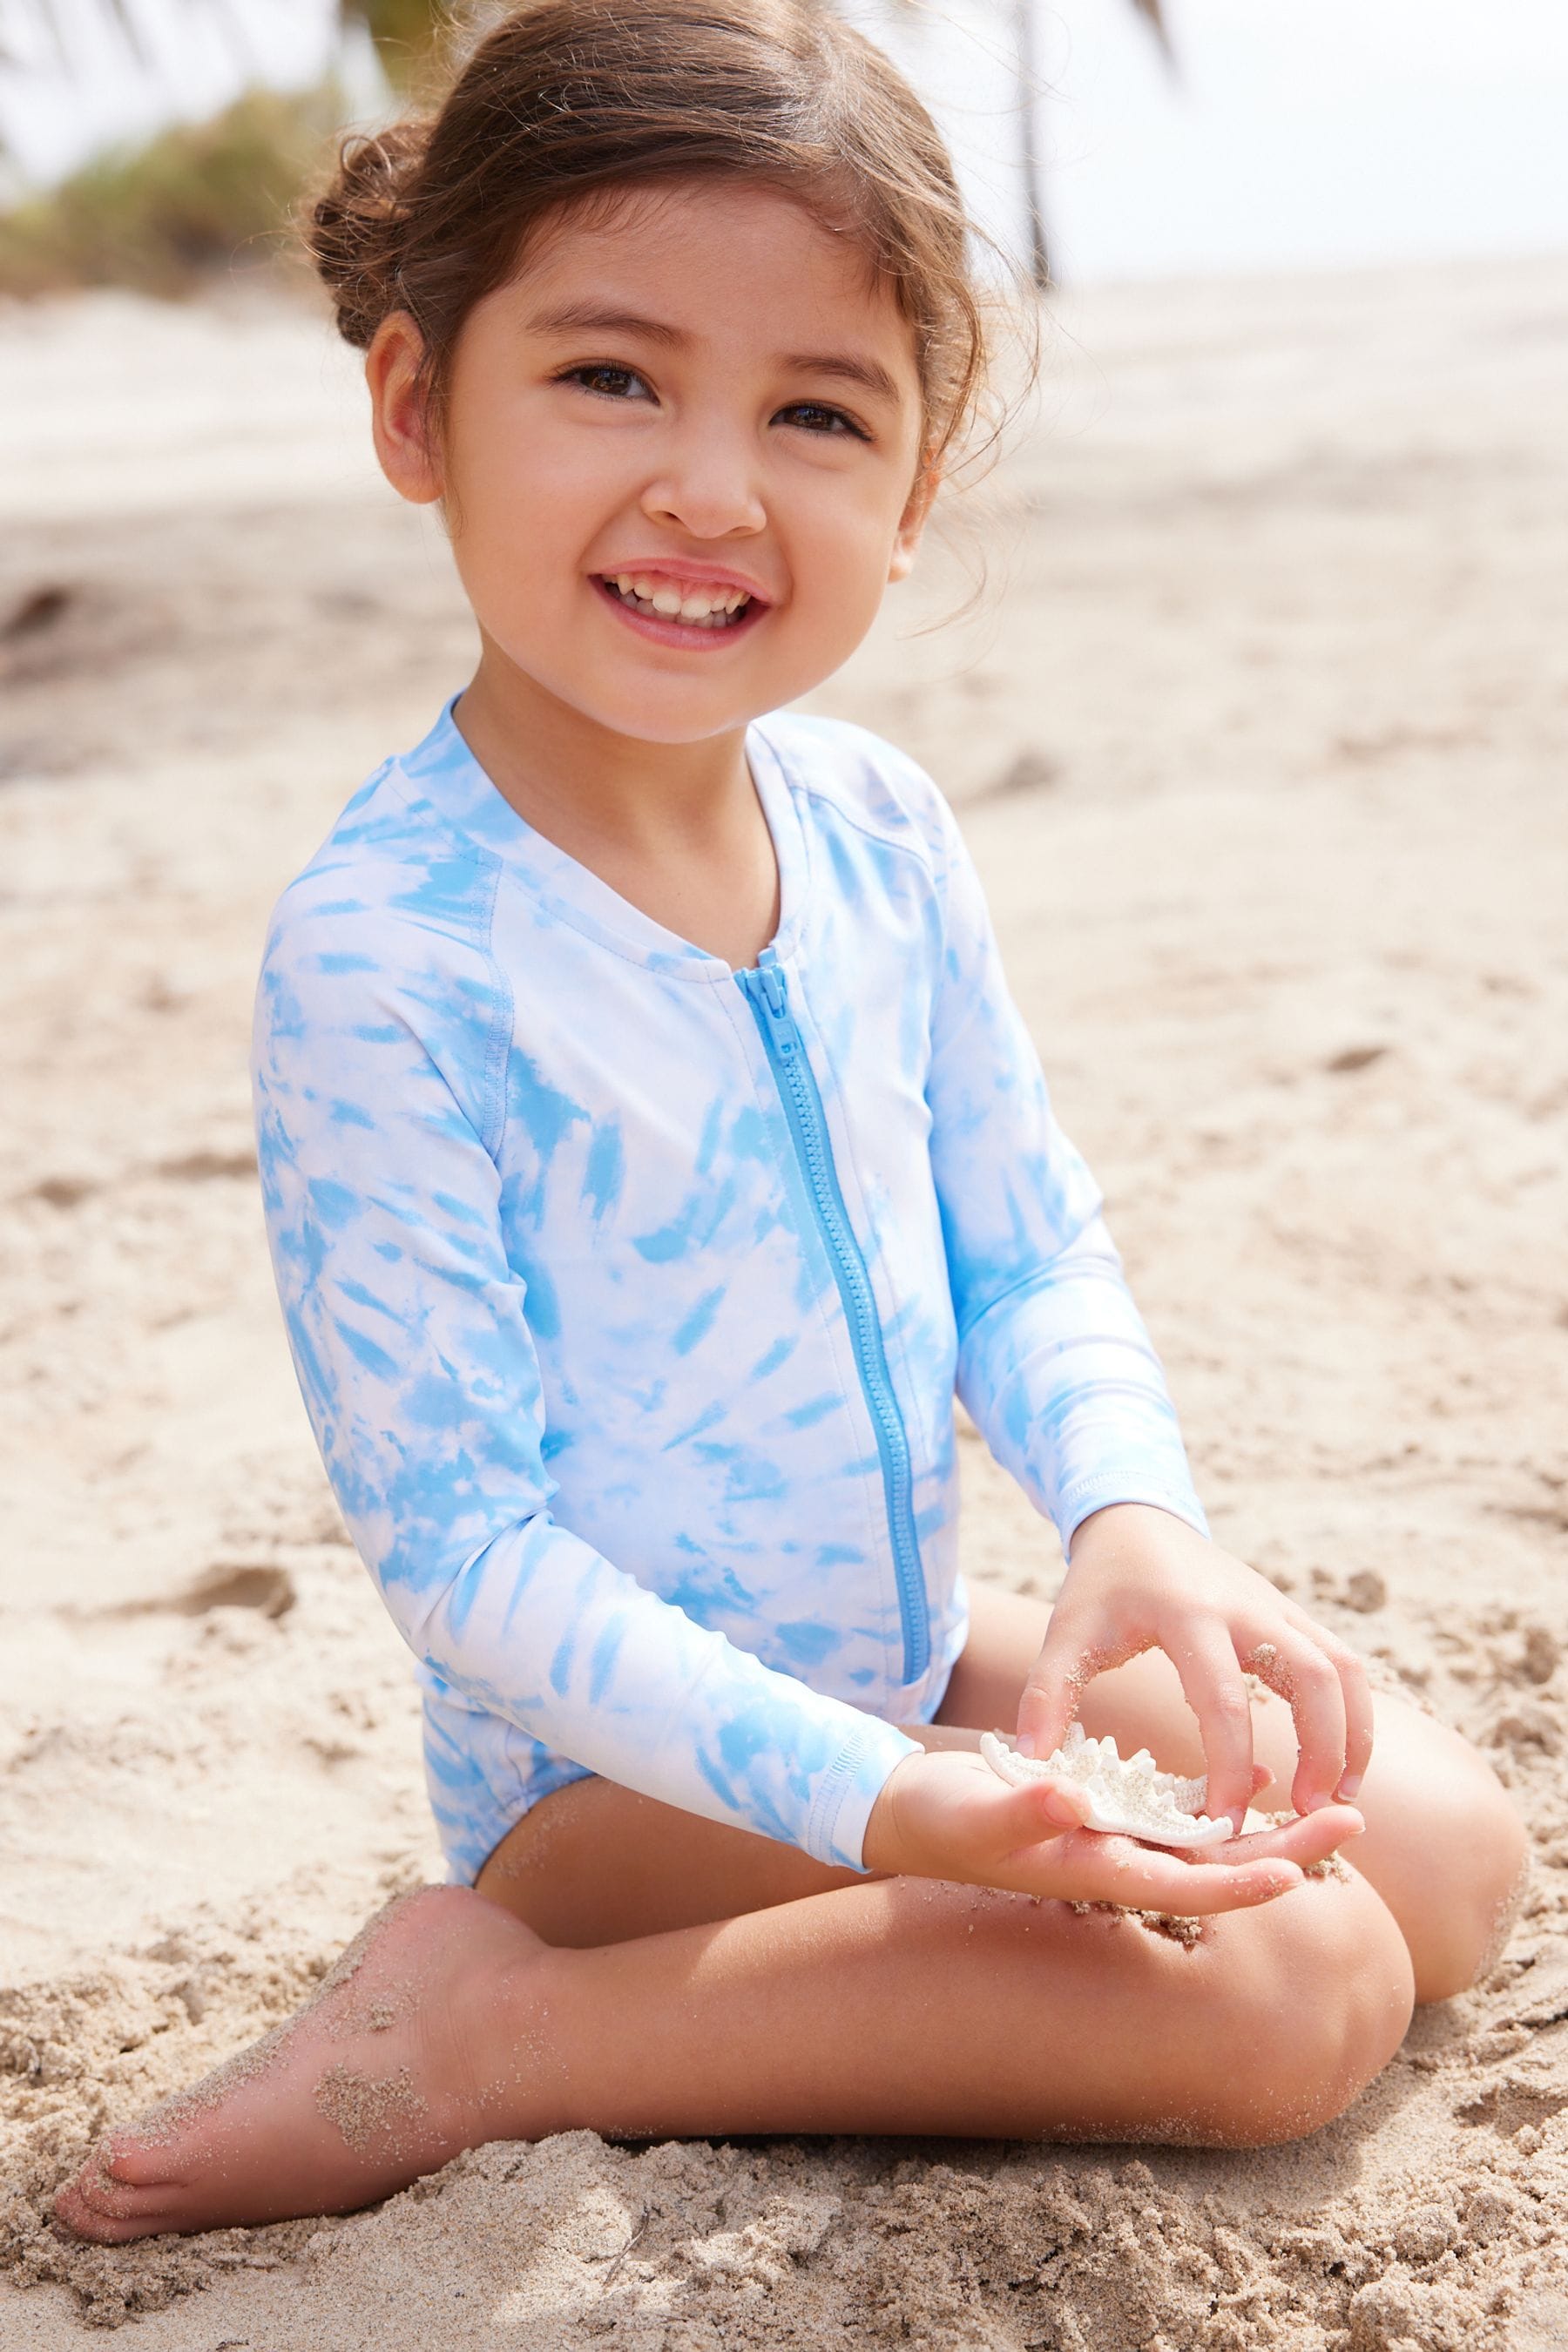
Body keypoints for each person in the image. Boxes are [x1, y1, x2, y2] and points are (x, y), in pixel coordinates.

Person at [57, 0, 1524, 2245]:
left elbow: (1025, 1246)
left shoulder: (877, 831)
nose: (711, 487)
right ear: (417, 400)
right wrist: (895, 1806)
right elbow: (469, 1559)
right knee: (1292, 1993)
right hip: (611, 1784)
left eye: (817, 412)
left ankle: (874, 1883)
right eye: (613, 375)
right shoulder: (392, 954)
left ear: (914, 483)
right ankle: (483, 2028)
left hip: (907, 1647)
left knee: (1447, 1858)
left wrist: (1133, 1519)